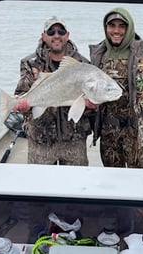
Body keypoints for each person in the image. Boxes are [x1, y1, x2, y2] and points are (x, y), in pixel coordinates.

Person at [89, 7, 143, 168]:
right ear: (105, 28)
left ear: (129, 28)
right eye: (112, 26)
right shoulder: (98, 54)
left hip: (138, 133)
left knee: (139, 182)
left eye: (122, 26)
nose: (116, 30)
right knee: (112, 182)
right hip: (109, 132)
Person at [13, 16, 94, 165]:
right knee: (40, 186)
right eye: (51, 31)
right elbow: (23, 92)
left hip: (74, 141)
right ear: (43, 36)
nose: (56, 35)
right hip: (41, 141)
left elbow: (88, 106)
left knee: (76, 185)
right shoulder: (30, 63)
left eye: (61, 31)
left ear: (67, 35)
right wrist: (23, 107)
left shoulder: (82, 64)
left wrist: (91, 106)